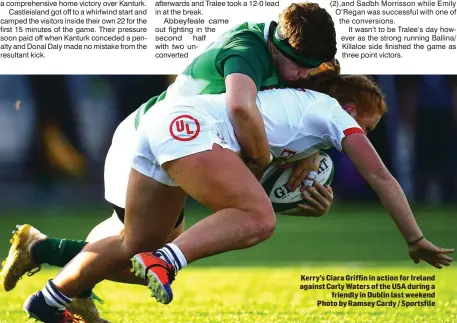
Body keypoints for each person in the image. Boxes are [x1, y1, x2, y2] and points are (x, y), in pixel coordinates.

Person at [22, 74, 454, 322]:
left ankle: (48, 293)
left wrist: (301, 191)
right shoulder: (334, 113)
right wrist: (414, 238)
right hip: (180, 130)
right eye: (369, 126)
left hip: (160, 131)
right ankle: (166, 260)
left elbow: (254, 164)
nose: (364, 135)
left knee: (135, 248)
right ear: (353, 110)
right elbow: (380, 175)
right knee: (257, 220)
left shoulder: (297, 112)